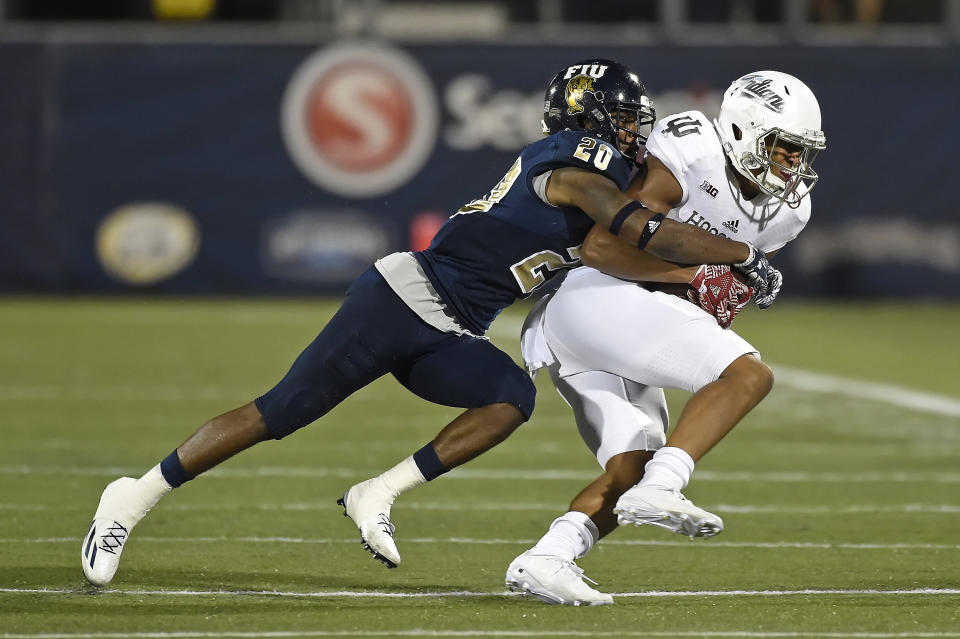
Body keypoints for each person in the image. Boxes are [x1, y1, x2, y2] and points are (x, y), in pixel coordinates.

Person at [81, 58, 778, 587]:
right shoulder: (571, 163)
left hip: (456, 327)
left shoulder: (598, 170)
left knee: (510, 397)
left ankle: (377, 491)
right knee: (281, 411)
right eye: (623, 118)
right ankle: (133, 496)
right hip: (402, 296)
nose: (634, 131)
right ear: (586, 118)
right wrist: (737, 255)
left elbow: (617, 248)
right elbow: (634, 227)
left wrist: (695, 276)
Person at [504, 70, 826, 605]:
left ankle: (546, 559)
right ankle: (667, 486)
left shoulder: (787, 215)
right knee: (748, 374)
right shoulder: (693, 152)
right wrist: (699, 276)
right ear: (744, 132)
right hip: (595, 297)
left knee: (634, 467)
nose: (792, 165)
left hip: (609, 324)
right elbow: (603, 250)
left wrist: (714, 291)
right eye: (783, 149)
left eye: (800, 154)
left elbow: (702, 295)